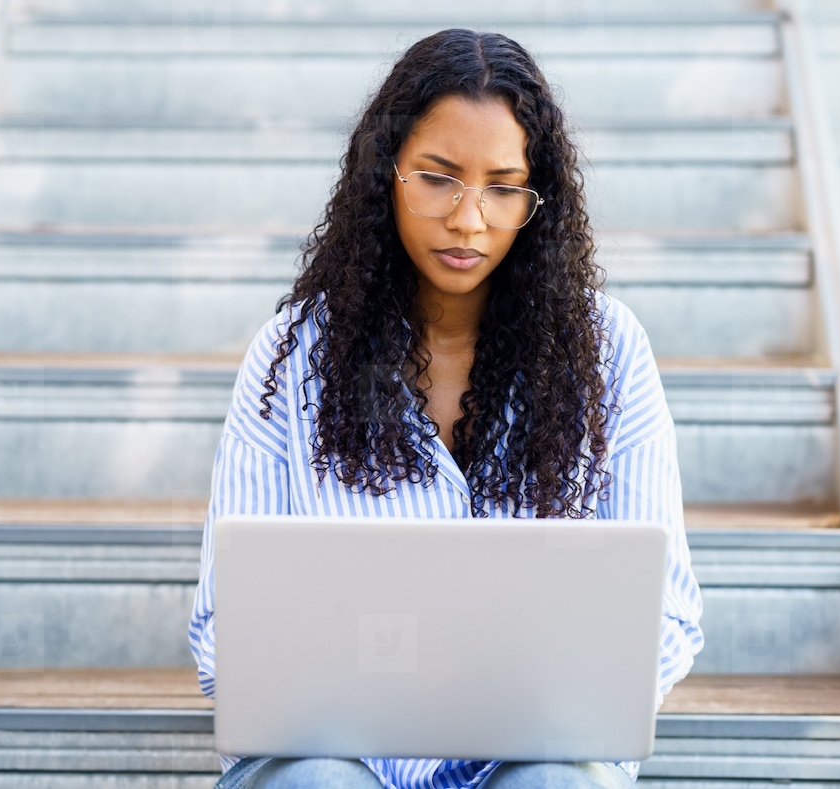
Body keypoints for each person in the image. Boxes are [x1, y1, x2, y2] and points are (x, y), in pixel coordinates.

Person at [188, 28, 703, 789]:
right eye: (437, 178)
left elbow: (667, 611)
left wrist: (549, 709)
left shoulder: (609, 352)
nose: (469, 219)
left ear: (539, 199)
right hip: (334, 763)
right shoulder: (290, 355)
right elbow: (224, 628)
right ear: (385, 175)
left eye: (503, 186)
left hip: (530, 764)